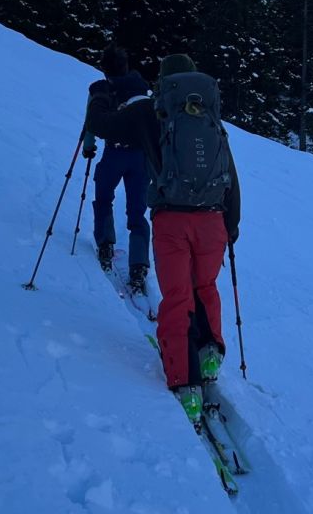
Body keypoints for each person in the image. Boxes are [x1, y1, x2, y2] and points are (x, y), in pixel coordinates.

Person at [86, 52, 240, 425]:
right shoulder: (209, 117)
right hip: (212, 220)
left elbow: (101, 125)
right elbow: (230, 176)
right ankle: (209, 352)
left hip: (172, 219)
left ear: (163, 83)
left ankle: (185, 384)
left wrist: (100, 94)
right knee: (205, 286)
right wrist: (230, 226)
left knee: (177, 297)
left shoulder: (149, 112)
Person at [83, 45, 151, 295]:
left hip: (115, 153)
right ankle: (139, 265)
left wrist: (88, 146)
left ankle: (105, 243)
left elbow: (92, 121)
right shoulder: (141, 87)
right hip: (141, 157)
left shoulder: (103, 89)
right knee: (137, 211)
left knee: (103, 197)